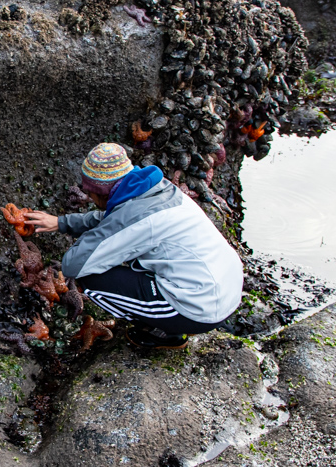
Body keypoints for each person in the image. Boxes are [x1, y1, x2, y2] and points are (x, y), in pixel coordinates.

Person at [25, 142, 243, 349]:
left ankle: (166, 332)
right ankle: (167, 321)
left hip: (199, 308)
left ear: (101, 191)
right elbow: (115, 218)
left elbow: (74, 265)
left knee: (90, 279)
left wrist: (92, 239)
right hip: (226, 286)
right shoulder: (158, 189)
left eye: (89, 192)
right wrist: (62, 223)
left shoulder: (134, 218)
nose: (88, 197)